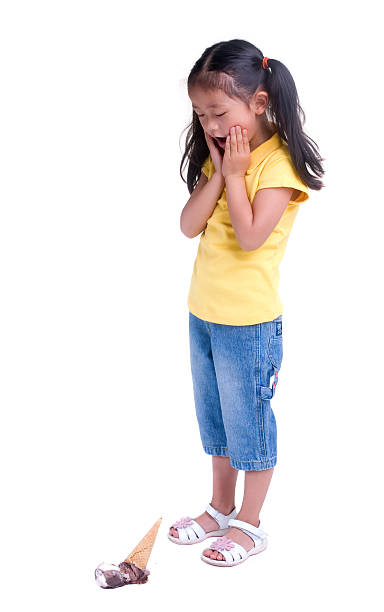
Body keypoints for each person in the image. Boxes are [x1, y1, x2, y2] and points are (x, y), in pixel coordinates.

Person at [168, 39, 325, 567]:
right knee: (215, 423)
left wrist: (233, 176)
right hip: (204, 314)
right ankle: (219, 506)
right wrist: (217, 173)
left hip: (249, 324)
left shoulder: (276, 165)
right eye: (200, 113)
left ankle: (250, 525)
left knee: (248, 424)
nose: (209, 124)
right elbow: (188, 226)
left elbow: (253, 235)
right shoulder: (223, 158)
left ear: (258, 103)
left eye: (218, 112)